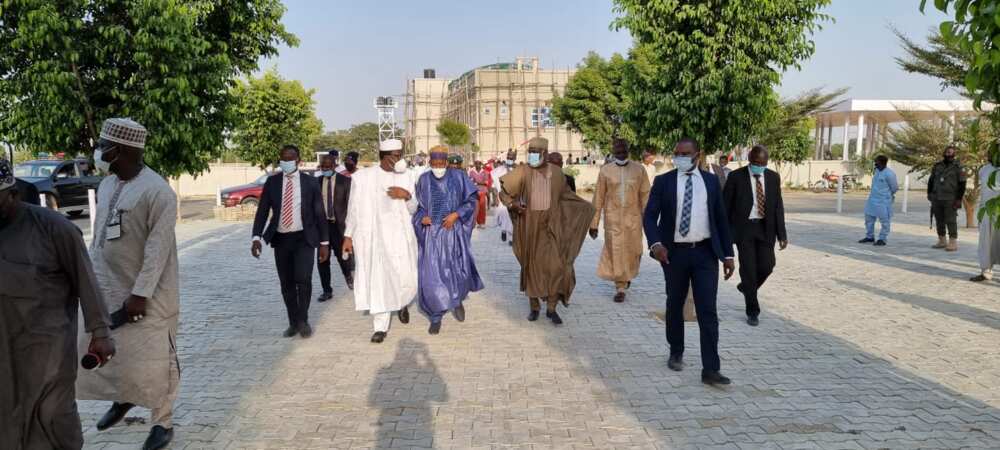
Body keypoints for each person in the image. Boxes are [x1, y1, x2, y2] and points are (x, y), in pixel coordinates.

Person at [76, 118, 181, 450]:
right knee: (110, 349)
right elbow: (98, 241)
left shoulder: (158, 191)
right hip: (109, 287)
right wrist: (89, 281)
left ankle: (162, 423)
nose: (98, 152)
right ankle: (124, 399)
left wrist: (140, 294)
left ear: (118, 150)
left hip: (150, 296)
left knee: (156, 360)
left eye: (102, 147)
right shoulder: (108, 185)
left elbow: (158, 249)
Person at [0, 160, 115, 450]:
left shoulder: (54, 228)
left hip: (48, 350)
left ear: (11, 193)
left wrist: (100, 333)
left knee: (53, 416)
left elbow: (86, 281)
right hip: (4, 349)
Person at [643, 137, 735, 386]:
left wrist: (727, 254)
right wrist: (656, 244)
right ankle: (676, 350)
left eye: (686, 153)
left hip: (705, 253)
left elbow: (720, 220)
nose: (680, 157)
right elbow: (650, 217)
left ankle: (711, 369)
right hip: (673, 254)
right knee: (675, 303)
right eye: (677, 153)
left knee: (708, 310)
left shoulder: (711, 181)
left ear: (698, 155)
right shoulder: (663, 182)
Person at [499, 137, 595, 325]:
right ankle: (534, 307)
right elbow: (503, 192)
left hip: (553, 229)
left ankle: (551, 308)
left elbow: (567, 197)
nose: (533, 155)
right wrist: (513, 205)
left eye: (537, 152)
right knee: (531, 267)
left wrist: (587, 209)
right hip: (529, 229)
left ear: (545, 153)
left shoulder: (557, 174)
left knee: (556, 268)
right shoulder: (523, 171)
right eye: (531, 151)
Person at [343, 139, 418, 343]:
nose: (397, 159)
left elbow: (414, 209)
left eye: (399, 154)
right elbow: (354, 208)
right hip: (374, 238)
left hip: (401, 237)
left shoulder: (409, 176)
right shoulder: (363, 178)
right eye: (393, 155)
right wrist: (348, 235)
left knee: (404, 276)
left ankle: (402, 303)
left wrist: (407, 195)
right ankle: (380, 326)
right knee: (379, 280)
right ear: (382, 157)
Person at [251, 145, 330, 337]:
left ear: (298, 160)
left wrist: (324, 243)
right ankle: (293, 322)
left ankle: (303, 320)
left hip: (304, 238)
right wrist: (256, 237)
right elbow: (262, 211)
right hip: (281, 239)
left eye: (290, 158)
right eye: (283, 159)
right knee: (286, 283)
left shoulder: (310, 182)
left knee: (303, 279)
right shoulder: (272, 182)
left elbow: (320, 214)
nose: (286, 162)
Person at [413, 148, 485, 334]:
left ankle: (457, 299)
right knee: (432, 276)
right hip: (432, 236)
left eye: (441, 164)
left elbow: (471, 200)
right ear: (430, 163)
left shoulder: (458, 177)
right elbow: (419, 207)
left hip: (453, 233)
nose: (438, 167)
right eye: (434, 164)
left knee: (457, 271)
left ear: (446, 163)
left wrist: (456, 214)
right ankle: (436, 316)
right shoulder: (423, 180)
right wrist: (422, 218)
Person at [722, 145, 788, 326]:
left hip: (765, 228)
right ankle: (752, 310)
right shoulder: (736, 177)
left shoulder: (773, 177)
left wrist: (782, 234)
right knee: (749, 270)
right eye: (756, 163)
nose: (759, 165)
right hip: (744, 230)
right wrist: (725, 233)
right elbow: (725, 206)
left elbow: (777, 207)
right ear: (750, 160)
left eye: (763, 163)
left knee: (768, 265)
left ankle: (746, 288)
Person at [588, 138, 651, 303]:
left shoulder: (639, 170)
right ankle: (620, 287)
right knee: (616, 251)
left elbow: (645, 196)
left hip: (634, 220)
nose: (621, 154)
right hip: (613, 220)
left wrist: (650, 222)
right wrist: (593, 224)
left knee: (634, 251)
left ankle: (626, 275)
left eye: (624, 151)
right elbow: (598, 198)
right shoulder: (606, 171)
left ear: (628, 151)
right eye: (618, 151)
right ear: (613, 151)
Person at [316, 153, 354, 300]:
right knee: (322, 259)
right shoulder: (317, 182)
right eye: (323, 166)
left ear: (334, 165)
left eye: (328, 166)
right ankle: (327, 290)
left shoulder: (345, 181)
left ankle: (348, 276)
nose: (325, 169)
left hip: (339, 226)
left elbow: (351, 206)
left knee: (342, 256)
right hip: (322, 227)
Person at [928, 146, 966, 251]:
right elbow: (931, 180)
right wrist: (929, 193)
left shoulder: (959, 167)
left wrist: (959, 199)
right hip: (937, 197)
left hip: (950, 198)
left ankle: (953, 242)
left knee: (951, 220)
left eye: (951, 153)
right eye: (947, 152)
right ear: (944, 153)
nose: (949, 154)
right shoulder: (937, 166)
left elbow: (962, 184)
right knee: (939, 219)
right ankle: (942, 240)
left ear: (955, 154)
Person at [859, 155, 898, 246]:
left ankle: (882, 239)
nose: (875, 164)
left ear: (882, 163)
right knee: (869, 219)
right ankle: (870, 237)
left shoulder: (890, 173)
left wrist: (888, 195)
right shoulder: (876, 171)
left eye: (877, 162)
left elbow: (894, 188)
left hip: (883, 201)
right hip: (872, 200)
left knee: (884, 221)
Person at [971, 161, 999, 282]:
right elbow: (983, 191)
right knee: (985, 242)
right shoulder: (984, 169)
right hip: (987, 210)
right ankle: (986, 271)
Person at [492, 150, 516, 244]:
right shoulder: (500, 169)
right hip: (502, 196)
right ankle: (503, 230)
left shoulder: (518, 169)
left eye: (512, 157)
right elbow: (494, 183)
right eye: (508, 157)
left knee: (512, 217)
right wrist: (497, 196)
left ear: (515, 158)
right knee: (503, 215)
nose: (510, 158)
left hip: (513, 197)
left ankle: (511, 238)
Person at [468, 161, 490, 228]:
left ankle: (482, 222)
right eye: (476, 163)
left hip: (483, 191)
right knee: (475, 207)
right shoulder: (472, 172)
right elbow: (470, 181)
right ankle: (476, 222)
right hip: (474, 192)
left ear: (481, 164)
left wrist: (476, 183)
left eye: (479, 163)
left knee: (482, 207)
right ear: (474, 164)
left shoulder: (485, 172)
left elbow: (486, 183)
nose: (477, 165)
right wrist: (479, 183)